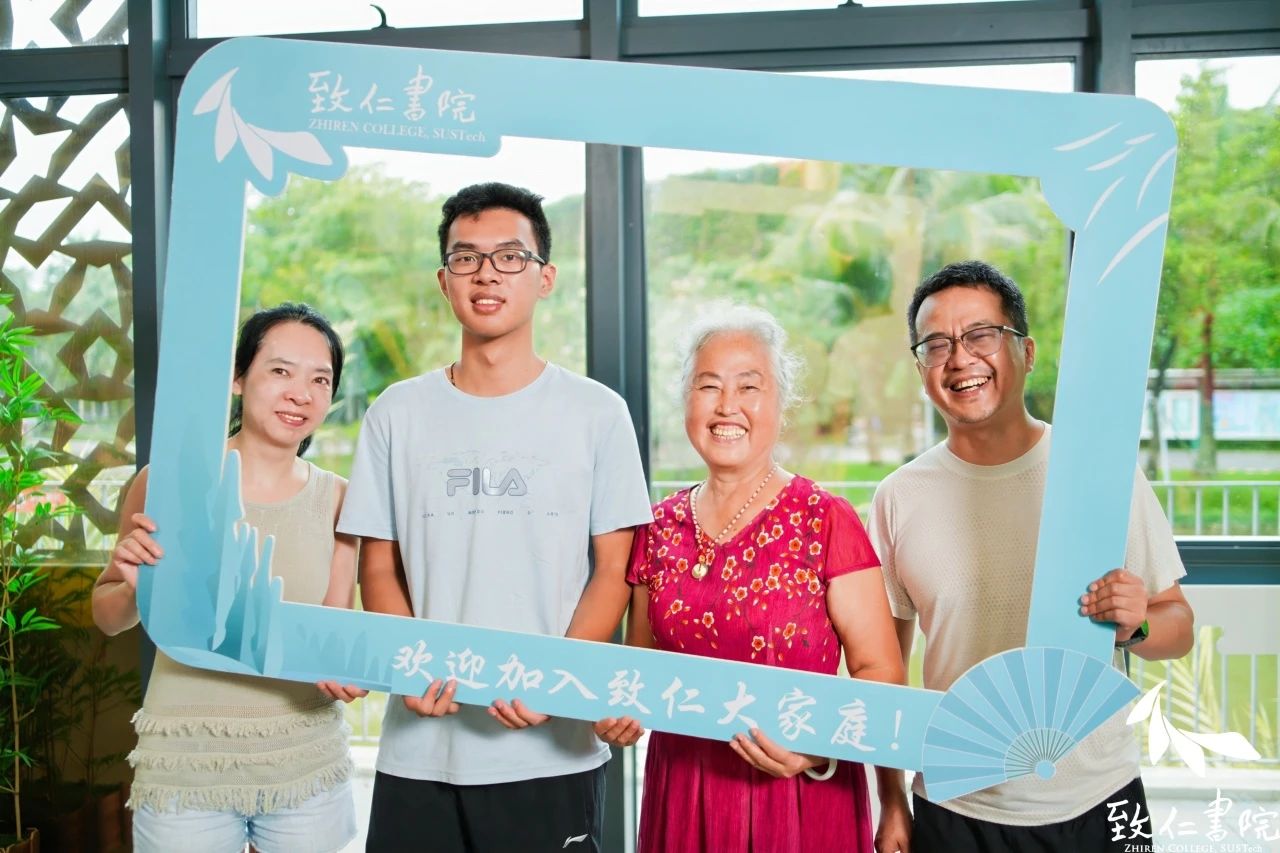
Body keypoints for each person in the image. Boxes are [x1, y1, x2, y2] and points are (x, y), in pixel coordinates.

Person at [337, 182, 653, 852]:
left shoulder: (598, 413)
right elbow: (378, 565)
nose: (486, 274)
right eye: (466, 258)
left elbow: (615, 570)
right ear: (444, 280)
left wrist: (555, 680)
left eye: (510, 257)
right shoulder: (396, 413)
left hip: (552, 749)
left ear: (545, 277)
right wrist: (411, 666)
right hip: (419, 749)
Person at [870, 260, 1195, 852]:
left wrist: (1138, 623)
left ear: (1027, 351)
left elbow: (1178, 625)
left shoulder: (1100, 474)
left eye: (981, 335)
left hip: (1099, 798)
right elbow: (884, 668)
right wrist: (890, 800)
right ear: (921, 369)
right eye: (936, 344)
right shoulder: (898, 497)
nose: (959, 359)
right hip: (954, 802)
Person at [600, 304, 912, 853]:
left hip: (801, 792)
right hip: (683, 791)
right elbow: (641, 669)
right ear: (686, 400)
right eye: (708, 386)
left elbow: (879, 671)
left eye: (749, 387)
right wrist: (619, 712)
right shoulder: (658, 527)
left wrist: (816, 748)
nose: (727, 406)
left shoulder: (825, 519)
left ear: (781, 403)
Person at [92, 303, 360, 853]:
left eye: (320, 380)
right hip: (186, 760)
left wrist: (348, 670)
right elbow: (107, 617)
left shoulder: (338, 499)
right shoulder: (168, 483)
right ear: (238, 378)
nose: (301, 394)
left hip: (304, 760)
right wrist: (135, 587)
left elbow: (332, 631)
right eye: (280, 371)